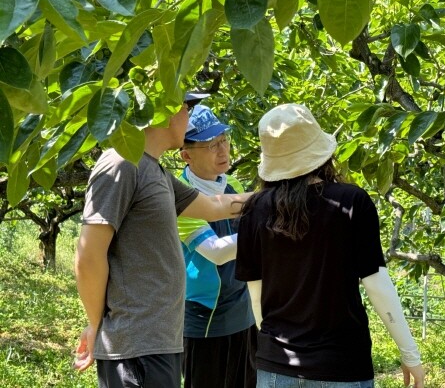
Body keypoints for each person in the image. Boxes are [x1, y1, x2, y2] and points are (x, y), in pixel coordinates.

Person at [235, 103, 425, 388]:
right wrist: (410, 352)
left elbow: (255, 295)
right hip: (340, 365)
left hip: (275, 367)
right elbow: (376, 283)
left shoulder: (255, 210)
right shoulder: (351, 202)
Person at [73, 92, 251, 388]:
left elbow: (215, 206)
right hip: (135, 343)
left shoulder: (155, 171)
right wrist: (96, 324)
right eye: (187, 107)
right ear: (163, 110)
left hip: (162, 340)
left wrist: (277, 195)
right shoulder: (119, 164)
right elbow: (88, 257)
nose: (189, 117)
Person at [177, 105, 256, 388]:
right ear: (186, 155)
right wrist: (269, 232)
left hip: (243, 312)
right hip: (205, 319)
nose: (223, 151)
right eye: (211, 146)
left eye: (224, 140)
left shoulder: (232, 184)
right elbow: (217, 251)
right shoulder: (180, 195)